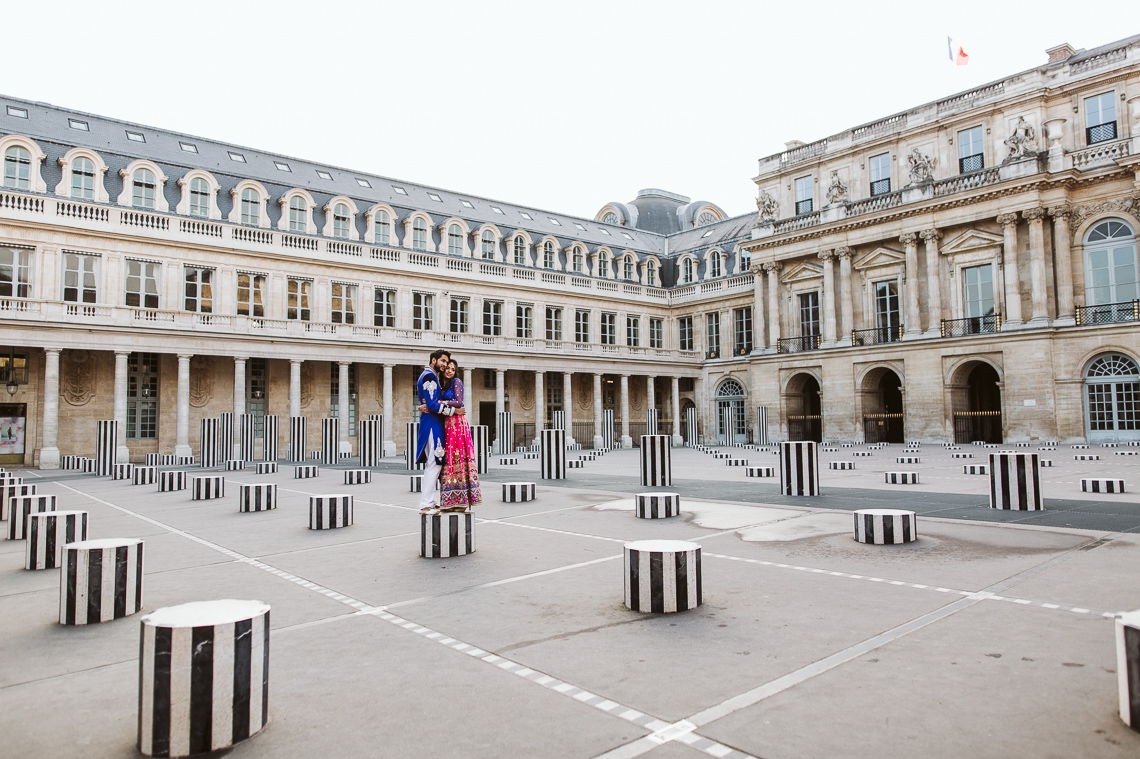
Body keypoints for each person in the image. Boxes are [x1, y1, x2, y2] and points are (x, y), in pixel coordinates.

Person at [415, 349, 462, 514]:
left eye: (446, 362)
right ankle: (425, 504)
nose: (444, 365)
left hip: (432, 423)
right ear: (433, 360)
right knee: (434, 464)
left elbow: (428, 403)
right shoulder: (429, 376)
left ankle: (430, 500)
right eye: (442, 361)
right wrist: (453, 411)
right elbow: (433, 405)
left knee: (435, 463)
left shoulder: (428, 375)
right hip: (432, 425)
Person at [437, 359, 481, 512]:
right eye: (448, 368)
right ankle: (449, 499)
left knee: (458, 457)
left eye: (453, 369)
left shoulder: (457, 382)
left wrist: (440, 402)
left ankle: (461, 500)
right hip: (447, 424)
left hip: (457, 424)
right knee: (448, 460)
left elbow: (459, 401)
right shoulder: (441, 385)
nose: (449, 371)